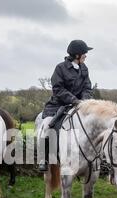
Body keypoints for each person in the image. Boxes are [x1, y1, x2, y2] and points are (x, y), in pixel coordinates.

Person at [38, 40, 94, 172]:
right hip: (58, 105)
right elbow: (58, 89)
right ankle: (44, 159)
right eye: (84, 54)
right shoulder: (60, 68)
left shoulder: (84, 68)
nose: (86, 56)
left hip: (79, 105)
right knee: (47, 126)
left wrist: (84, 101)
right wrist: (74, 100)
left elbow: (87, 87)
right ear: (77, 56)